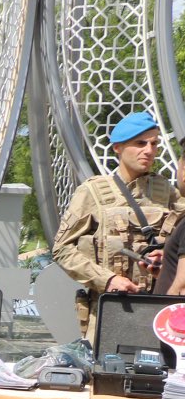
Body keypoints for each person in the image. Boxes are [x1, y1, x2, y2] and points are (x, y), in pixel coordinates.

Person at [55, 111, 179, 329]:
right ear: (117, 147)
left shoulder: (168, 193)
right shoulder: (93, 192)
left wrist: (166, 256)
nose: (149, 151)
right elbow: (62, 249)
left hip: (158, 310)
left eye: (154, 144)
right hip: (108, 308)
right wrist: (107, 280)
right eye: (140, 143)